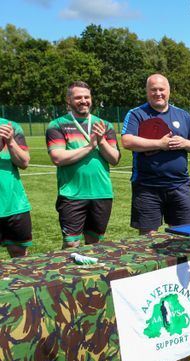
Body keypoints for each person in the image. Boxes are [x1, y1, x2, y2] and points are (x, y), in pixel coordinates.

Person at [122, 74, 190, 234]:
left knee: (183, 236)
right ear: (147, 92)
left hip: (179, 186)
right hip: (147, 187)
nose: (158, 93)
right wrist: (160, 144)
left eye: (161, 89)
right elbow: (127, 141)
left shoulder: (183, 115)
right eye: (153, 90)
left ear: (169, 91)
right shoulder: (137, 114)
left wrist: (185, 143)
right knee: (148, 238)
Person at [46, 81, 121, 249]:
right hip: (72, 194)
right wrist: (89, 147)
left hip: (101, 193)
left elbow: (114, 158)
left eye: (86, 97)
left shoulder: (104, 125)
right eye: (78, 97)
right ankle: (67, 274)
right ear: (68, 100)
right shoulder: (57, 125)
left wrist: (101, 141)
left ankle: (89, 274)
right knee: (71, 243)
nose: (83, 101)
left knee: (94, 243)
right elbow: (58, 157)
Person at [0, 117, 32, 257]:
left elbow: (24, 162)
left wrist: (10, 141)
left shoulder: (10, 126)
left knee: (19, 256)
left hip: (13, 205)